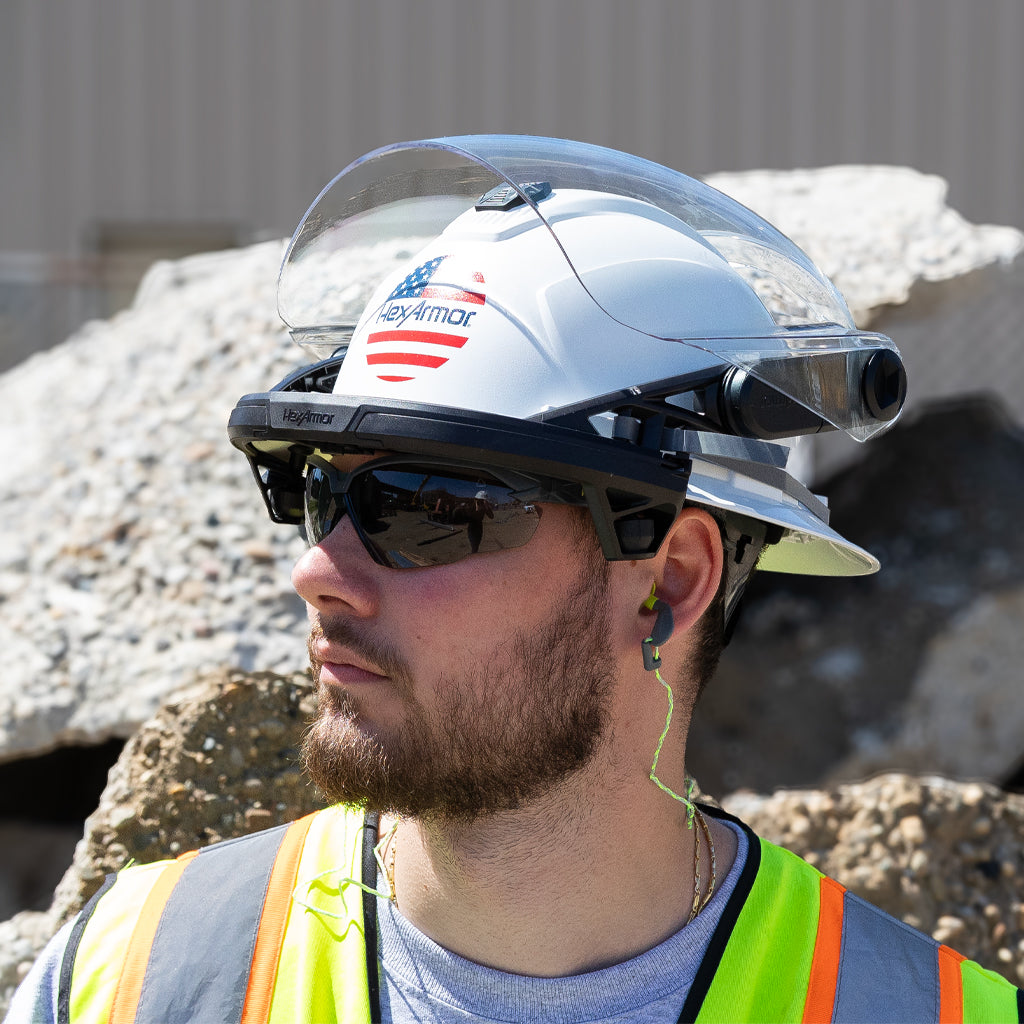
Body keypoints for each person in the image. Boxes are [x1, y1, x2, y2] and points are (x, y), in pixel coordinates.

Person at [8, 135, 1020, 1023]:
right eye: (323, 495)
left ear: (668, 579)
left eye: (425, 510)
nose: (319, 571)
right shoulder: (128, 980)